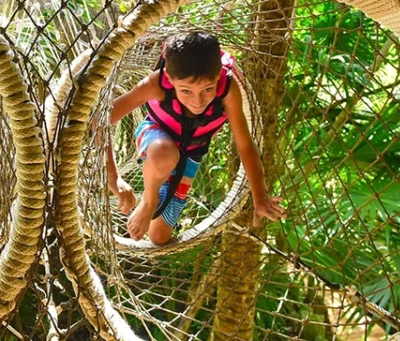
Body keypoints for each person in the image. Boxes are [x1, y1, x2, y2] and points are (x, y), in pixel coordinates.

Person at [104, 32, 287, 245]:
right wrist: (113, 177)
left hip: (190, 154)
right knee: (164, 155)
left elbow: (245, 145)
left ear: (218, 76)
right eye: (186, 91)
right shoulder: (156, 84)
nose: (198, 100)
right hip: (155, 138)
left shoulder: (228, 90)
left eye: (207, 89)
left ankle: (160, 187)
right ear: (171, 80)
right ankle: (150, 197)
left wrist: (260, 195)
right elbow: (101, 121)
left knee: (159, 237)